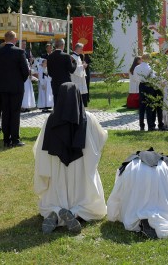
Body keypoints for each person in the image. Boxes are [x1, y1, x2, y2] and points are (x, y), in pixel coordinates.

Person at [33, 82, 107, 234]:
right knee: (92, 206)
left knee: (53, 197)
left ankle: (54, 212)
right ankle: (75, 212)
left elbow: (40, 148)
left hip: (56, 166)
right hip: (81, 167)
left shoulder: (50, 119)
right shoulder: (89, 118)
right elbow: (100, 138)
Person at [107, 148, 168, 239]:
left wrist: (113, 213)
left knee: (137, 196)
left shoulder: (130, 164)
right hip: (159, 175)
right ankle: (153, 216)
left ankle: (140, 216)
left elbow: (119, 190)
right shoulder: (166, 166)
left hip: (136, 175)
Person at [0, 31, 29, 147]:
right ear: (15, 39)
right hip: (16, 87)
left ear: (5, 39)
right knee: (15, 112)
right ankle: (15, 139)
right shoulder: (19, 52)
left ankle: (6, 139)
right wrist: (20, 81)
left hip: (2, 87)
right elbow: (25, 71)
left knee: (6, 112)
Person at [134, 53, 164, 131]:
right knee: (149, 106)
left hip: (142, 85)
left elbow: (135, 78)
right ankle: (150, 126)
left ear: (142, 58)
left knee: (142, 106)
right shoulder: (150, 68)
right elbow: (153, 78)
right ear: (149, 59)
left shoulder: (137, 67)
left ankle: (141, 125)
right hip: (150, 86)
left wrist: (141, 81)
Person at [70, 43, 89, 107]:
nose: (82, 50)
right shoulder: (72, 57)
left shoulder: (78, 56)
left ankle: (81, 106)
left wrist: (83, 66)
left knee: (81, 93)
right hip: (76, 78)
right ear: (77, 48)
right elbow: (73, 69)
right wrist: (82, 66)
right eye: (81, 49)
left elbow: (78, 66)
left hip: (80, 78)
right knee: (77, 92)